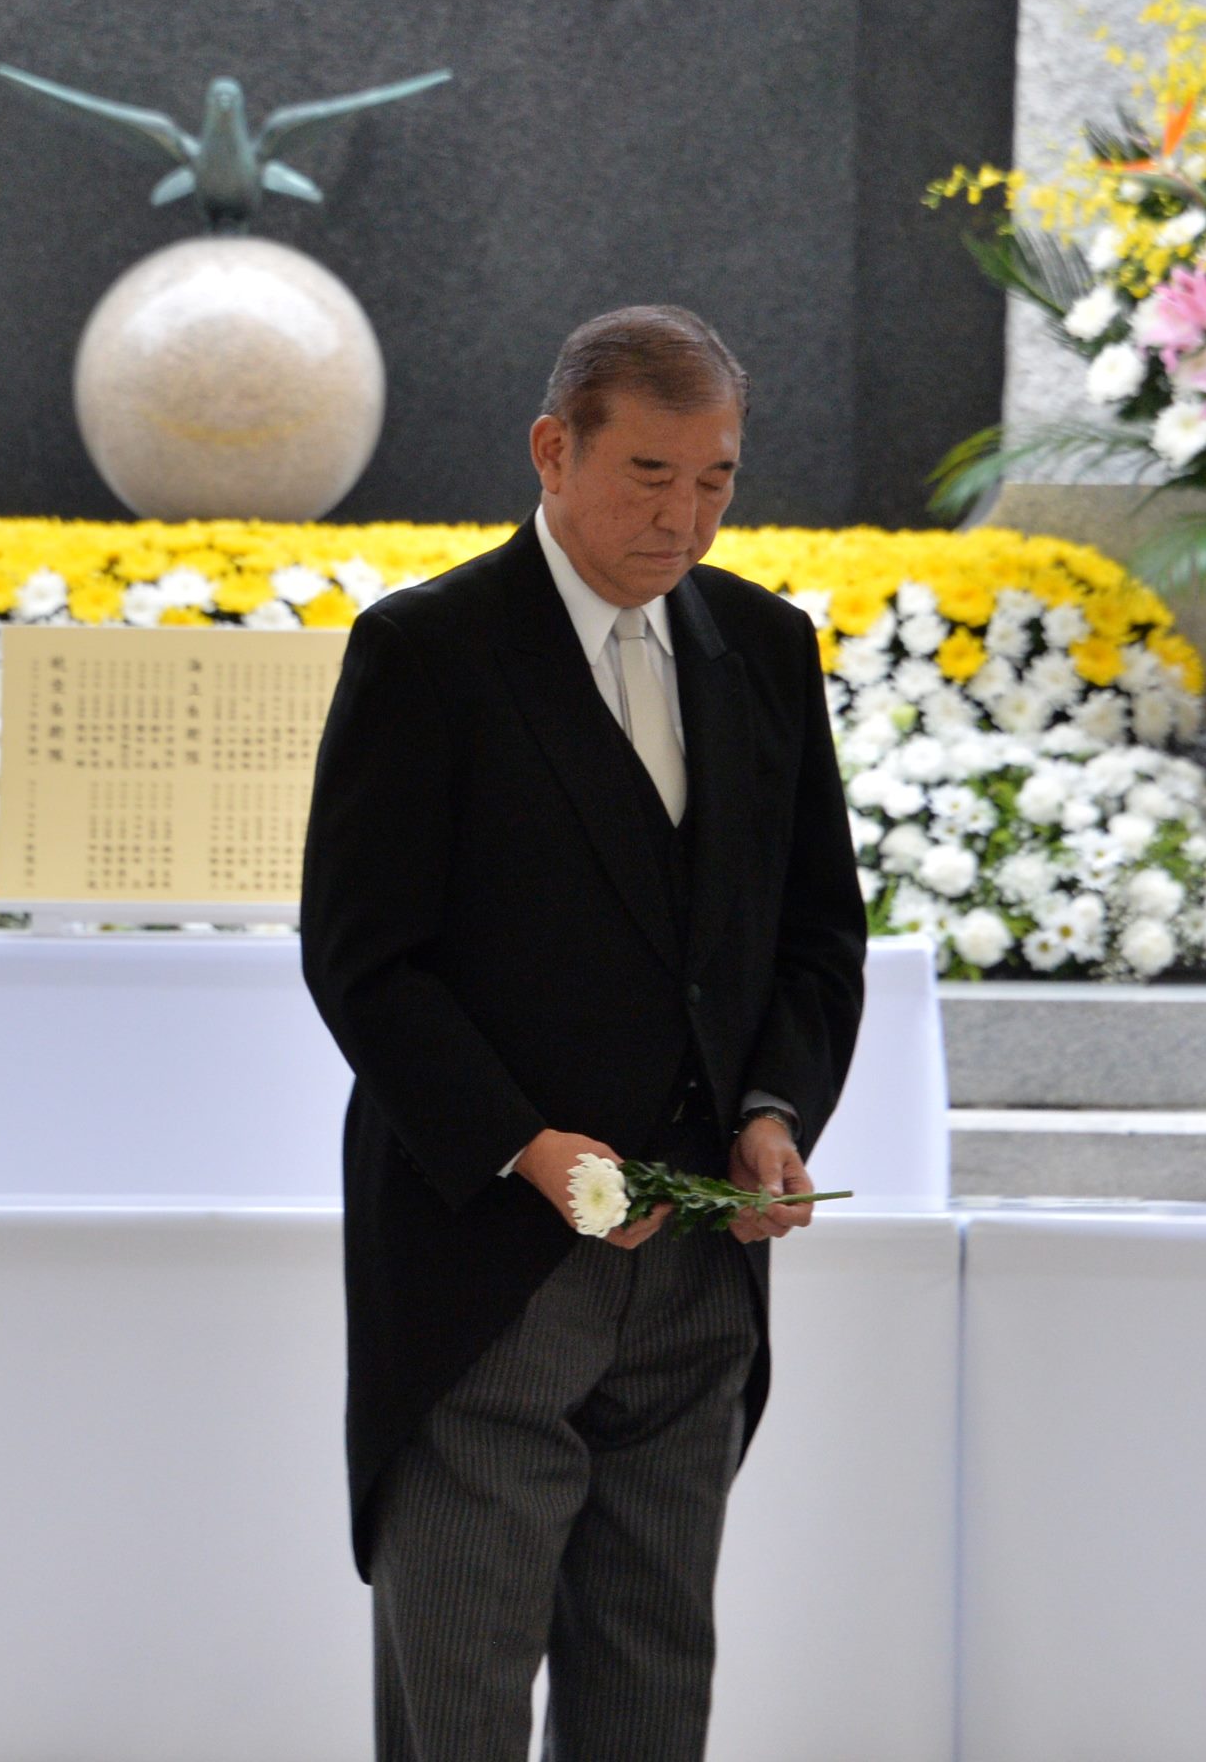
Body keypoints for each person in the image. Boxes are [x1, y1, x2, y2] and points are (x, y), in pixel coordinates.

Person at [301, 304, 868, 1762]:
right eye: (651, 476)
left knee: (654, 1668)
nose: (685, 519)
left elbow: (814, 940)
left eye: (718, 480)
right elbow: (366, 961)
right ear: (554, 451)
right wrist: (526, 1146)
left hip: (695, 1280)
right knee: (463, 1685)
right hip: (486, 1266)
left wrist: (773, 1113)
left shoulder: (764, 647)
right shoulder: (428, 652)